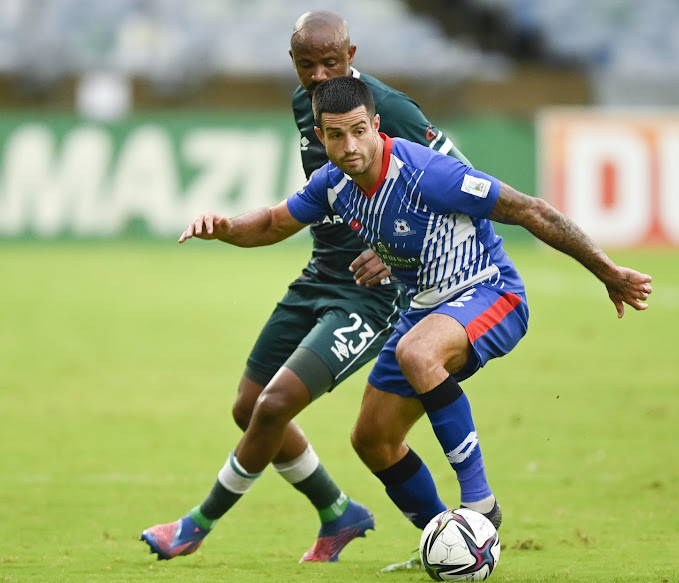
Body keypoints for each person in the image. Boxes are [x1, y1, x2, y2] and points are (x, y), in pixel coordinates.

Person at [176, 76, 653, 566]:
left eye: (359, 131)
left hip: (490, 292)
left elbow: (532, 210)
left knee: (417, 353)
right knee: (373, 440)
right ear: (320, 137)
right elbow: (275, 223)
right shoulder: (332, 183)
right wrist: (226, 227)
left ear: (376, 125)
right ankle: (448, 544)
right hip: (423, 309)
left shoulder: (427, 172)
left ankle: (479, 507)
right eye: (336, 136)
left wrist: (608, 272)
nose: (350, 146)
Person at [140, 10, 472, 564]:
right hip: (319, 273)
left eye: (331, 62)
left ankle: (197, 524)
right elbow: (289, 212)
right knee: (249, 407)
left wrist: (395, 249)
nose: (319, 76)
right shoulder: (306, 106)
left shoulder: (390, 110)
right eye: (306, 64)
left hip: (370, 293)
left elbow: (461, 182)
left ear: (352, 55)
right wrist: (225, 227)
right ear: (291, 62)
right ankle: (339, 512)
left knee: (275, 406)